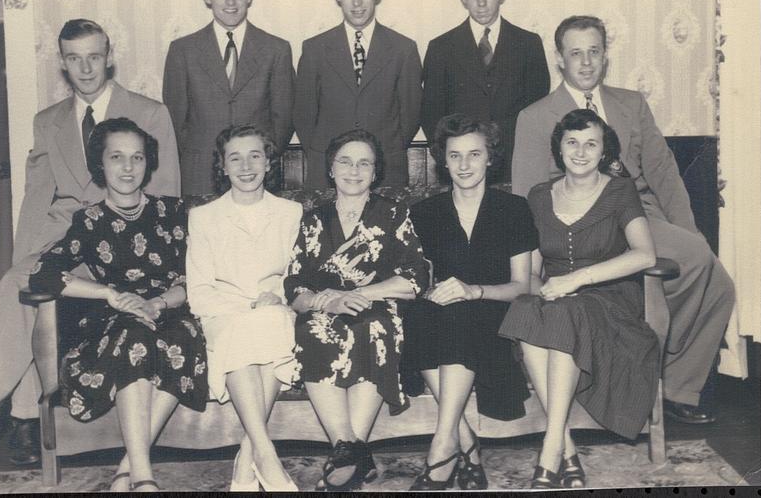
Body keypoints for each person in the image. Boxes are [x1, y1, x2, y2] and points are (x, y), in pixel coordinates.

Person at [0, 19, 180, 466]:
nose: (85, 68)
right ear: (62, 63)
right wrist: (18, 261)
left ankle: (2, 412)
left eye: (94, 56)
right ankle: (18, 413)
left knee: (26, 291)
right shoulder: (47, 121)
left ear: (109, 56)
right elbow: (35, 198)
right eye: (73, 58)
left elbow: (166, 195)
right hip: (62, 236)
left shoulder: (149, 112)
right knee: (19, 287)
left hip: (122, 238)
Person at [511, 15, 735, 424]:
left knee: (715, 279)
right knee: (694, 267)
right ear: (559, 59)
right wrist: (532, 266)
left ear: (605, 56)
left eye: (594, 52)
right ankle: (652, 375)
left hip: (639, 214)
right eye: (575, 53)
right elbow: (527, 197)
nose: (585, 62)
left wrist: (688, 235)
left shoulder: (631, 104)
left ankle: (676, 384)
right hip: (577, 221)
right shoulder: (536, 116)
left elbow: (663, 173)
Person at [28, 118, 207, 492]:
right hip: (115, 323)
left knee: (183, 336)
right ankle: (144, 476)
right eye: (117, 157)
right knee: (134, 332)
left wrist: (157, 302)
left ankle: (129, 468)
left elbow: (196, 277)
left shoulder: (173, 213)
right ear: (100, 164)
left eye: (137, 157)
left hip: (170, 310)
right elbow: (44, 274)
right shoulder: (90, 220)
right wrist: (109, 294)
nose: (128, 168)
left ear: (148, 163)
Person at [500, 110, 660, 488]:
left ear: (605, 150)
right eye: (572, 142)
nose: (581, 151)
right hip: (558, 301)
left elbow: (645, 255)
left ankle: (550, 447)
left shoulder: (621, 191)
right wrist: (545, 289)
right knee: (525, 306)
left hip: (610, 302)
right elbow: (535, 274)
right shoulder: (539, 196)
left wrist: (578, 278)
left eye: (591, 143)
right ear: (559, 147)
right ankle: (564, 448)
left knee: (568, 308)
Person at [284, 129, 428, 491]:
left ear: (376, 171)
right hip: (324, 311)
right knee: (313, 328)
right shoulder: (313, 219)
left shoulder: (393, 213)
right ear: (330, 169)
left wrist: (364, 292)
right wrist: (328, 301)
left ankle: (345, 456)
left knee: (374, 326)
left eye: (365, 162)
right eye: (345, 161)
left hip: (378, 308)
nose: (354, 169)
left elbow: (416, 276)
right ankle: (351, 452)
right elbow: (295, 287)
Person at [402, 114, 536, 490]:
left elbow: (522, 286)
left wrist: (475, 290)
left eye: (474, 154)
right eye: (455, 155)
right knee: (421, 316)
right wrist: (433, 293)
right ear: (442, 161)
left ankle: (442, 448)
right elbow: (418, 280)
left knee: (458, 317)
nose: (464, 165)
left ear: (490, 158)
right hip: (442, 315)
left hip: (495, 312)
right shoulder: (424, 213)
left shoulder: (514, 208)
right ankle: (465, 444)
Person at [186, 125, 302, 492]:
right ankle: (264, 454)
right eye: (235, 157)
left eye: (255, 156)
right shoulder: (203, 217)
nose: (246, 165)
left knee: (270, 321)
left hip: (275, 310)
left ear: (269, 162)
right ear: (222, 166)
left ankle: (248, 454)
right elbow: (199, 290)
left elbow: (299, 275)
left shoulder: (291, 212)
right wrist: (244, 306)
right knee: (244, 328)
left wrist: (281, 296)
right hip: (224, 314)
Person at [163, 0, 295, 195]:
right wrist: (203, 158)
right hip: (200, 177)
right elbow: (175, 122)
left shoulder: (276, 49)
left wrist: (259, 161)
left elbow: (283, 120)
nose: (231, 1)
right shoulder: (183, 51)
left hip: (257, 177)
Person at [293, 0, 422, 188]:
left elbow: (410, 117)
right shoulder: (314, 49)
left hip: (386, 172)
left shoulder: (404, 49)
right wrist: (327, 156)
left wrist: (385, 152)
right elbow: (303, 117)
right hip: (327, 173)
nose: (357, 2)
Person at [421, 0, 550, 182]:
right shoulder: (441, 48)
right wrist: (451, 160)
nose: (481, 2)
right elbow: (431, 117)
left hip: (515, 168)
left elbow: (537, 112)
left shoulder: (528, 44)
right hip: (461, 171)